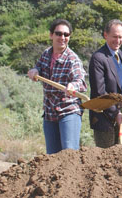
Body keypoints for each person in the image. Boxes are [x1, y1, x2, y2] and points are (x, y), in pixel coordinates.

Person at [27, 19, 87, 154]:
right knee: (52, 157)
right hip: (49, 111)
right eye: (59, 34)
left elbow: (81, 81)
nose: (62, 38)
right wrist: (34, 71)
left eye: (66, 35)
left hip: (68, 110)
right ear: (51, 35)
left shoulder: (72, 59)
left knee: (68, 154)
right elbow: (38, 68)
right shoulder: (46, 54)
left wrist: (73, 85)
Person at [88, 19, 122, 147]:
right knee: (106, 158)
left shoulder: (120, 54)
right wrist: (114, 113)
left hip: (121, 112)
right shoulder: (98, 58)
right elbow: (99, 92)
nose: (118, 40)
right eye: (114, 37)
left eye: (120, 37)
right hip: (104, 118)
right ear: (105, 35)